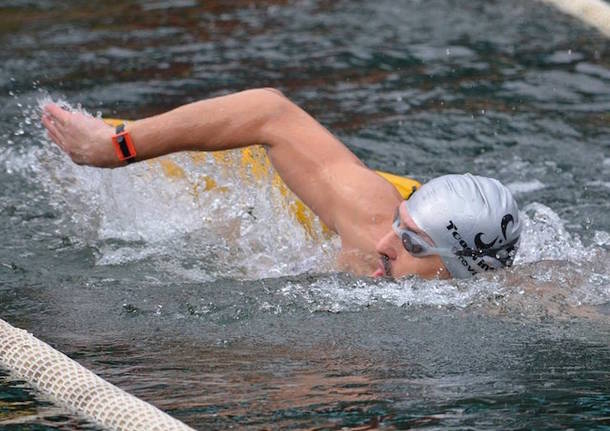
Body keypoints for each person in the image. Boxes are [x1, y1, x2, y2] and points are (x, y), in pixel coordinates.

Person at [41, 88, 521, 279]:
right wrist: (118, 147)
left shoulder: (492, 303)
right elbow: (270, 112)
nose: (383, 241)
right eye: (399, 224)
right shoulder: (372, 217)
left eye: (412, 243)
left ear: (460, 271)